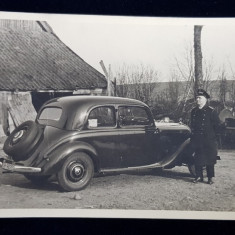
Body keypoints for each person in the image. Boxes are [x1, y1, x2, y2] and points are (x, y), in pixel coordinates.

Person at [190, 89, 222, 185]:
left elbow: (217, 127)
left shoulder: (211, 111)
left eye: (199, 98)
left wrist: (214, 138)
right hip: (197, 139)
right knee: (198, 158)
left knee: (210, 159)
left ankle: (210, 178)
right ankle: (198, 176)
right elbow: (193, 125)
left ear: (205, 99)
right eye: (196, 98)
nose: (197, 100)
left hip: (209, 140)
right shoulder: (194, 111)